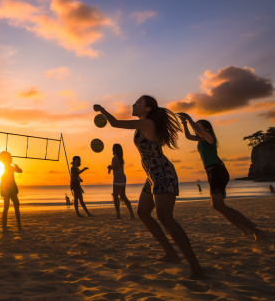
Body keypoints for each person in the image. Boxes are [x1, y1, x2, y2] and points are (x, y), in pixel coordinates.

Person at [94, 96, 205, 279]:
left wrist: (102, 110)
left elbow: (114, 123)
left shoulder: (147, 123)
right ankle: (171, 254)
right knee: (143, 213)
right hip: (152, 176)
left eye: (138, 102)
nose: (134, 104)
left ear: (147, 109)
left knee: (165, 217)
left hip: (162, 172)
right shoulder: (144, 124)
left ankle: (197, 268)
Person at [180, 114, 266, 241]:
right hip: (211, 172)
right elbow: (188, 136)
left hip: (217, 171)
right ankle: (247, 228)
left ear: (206, 129)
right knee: (218, 206)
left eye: (198, 127)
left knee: (219, 206)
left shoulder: (209, 137)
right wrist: (185, 123)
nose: (196, 130)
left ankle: (255, 231)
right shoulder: (200, 140)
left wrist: (188, 118)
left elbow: (199, 132)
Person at [0, 151, 22, 234]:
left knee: (7, 208)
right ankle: (17, 226)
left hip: (8, 189)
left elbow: (6, 173)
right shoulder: (8, 166)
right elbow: (20, 171)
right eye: (10, 157)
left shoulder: (7, 167)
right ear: (7, 159)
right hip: (9, 189)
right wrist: (17, 167)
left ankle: (5, 227)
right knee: (14, 206)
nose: (11, 158)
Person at [108, 143, 135, 219]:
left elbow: (113, 167)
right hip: (123, 178)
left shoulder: (114, 158)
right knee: (123, 196)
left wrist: (110, 167)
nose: (112, 150)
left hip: (117, 179)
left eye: (113, 148)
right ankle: (132, 214)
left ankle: (118, 215)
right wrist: (111, 168)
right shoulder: (121, 158)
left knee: (116, 196)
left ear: (115, 149)